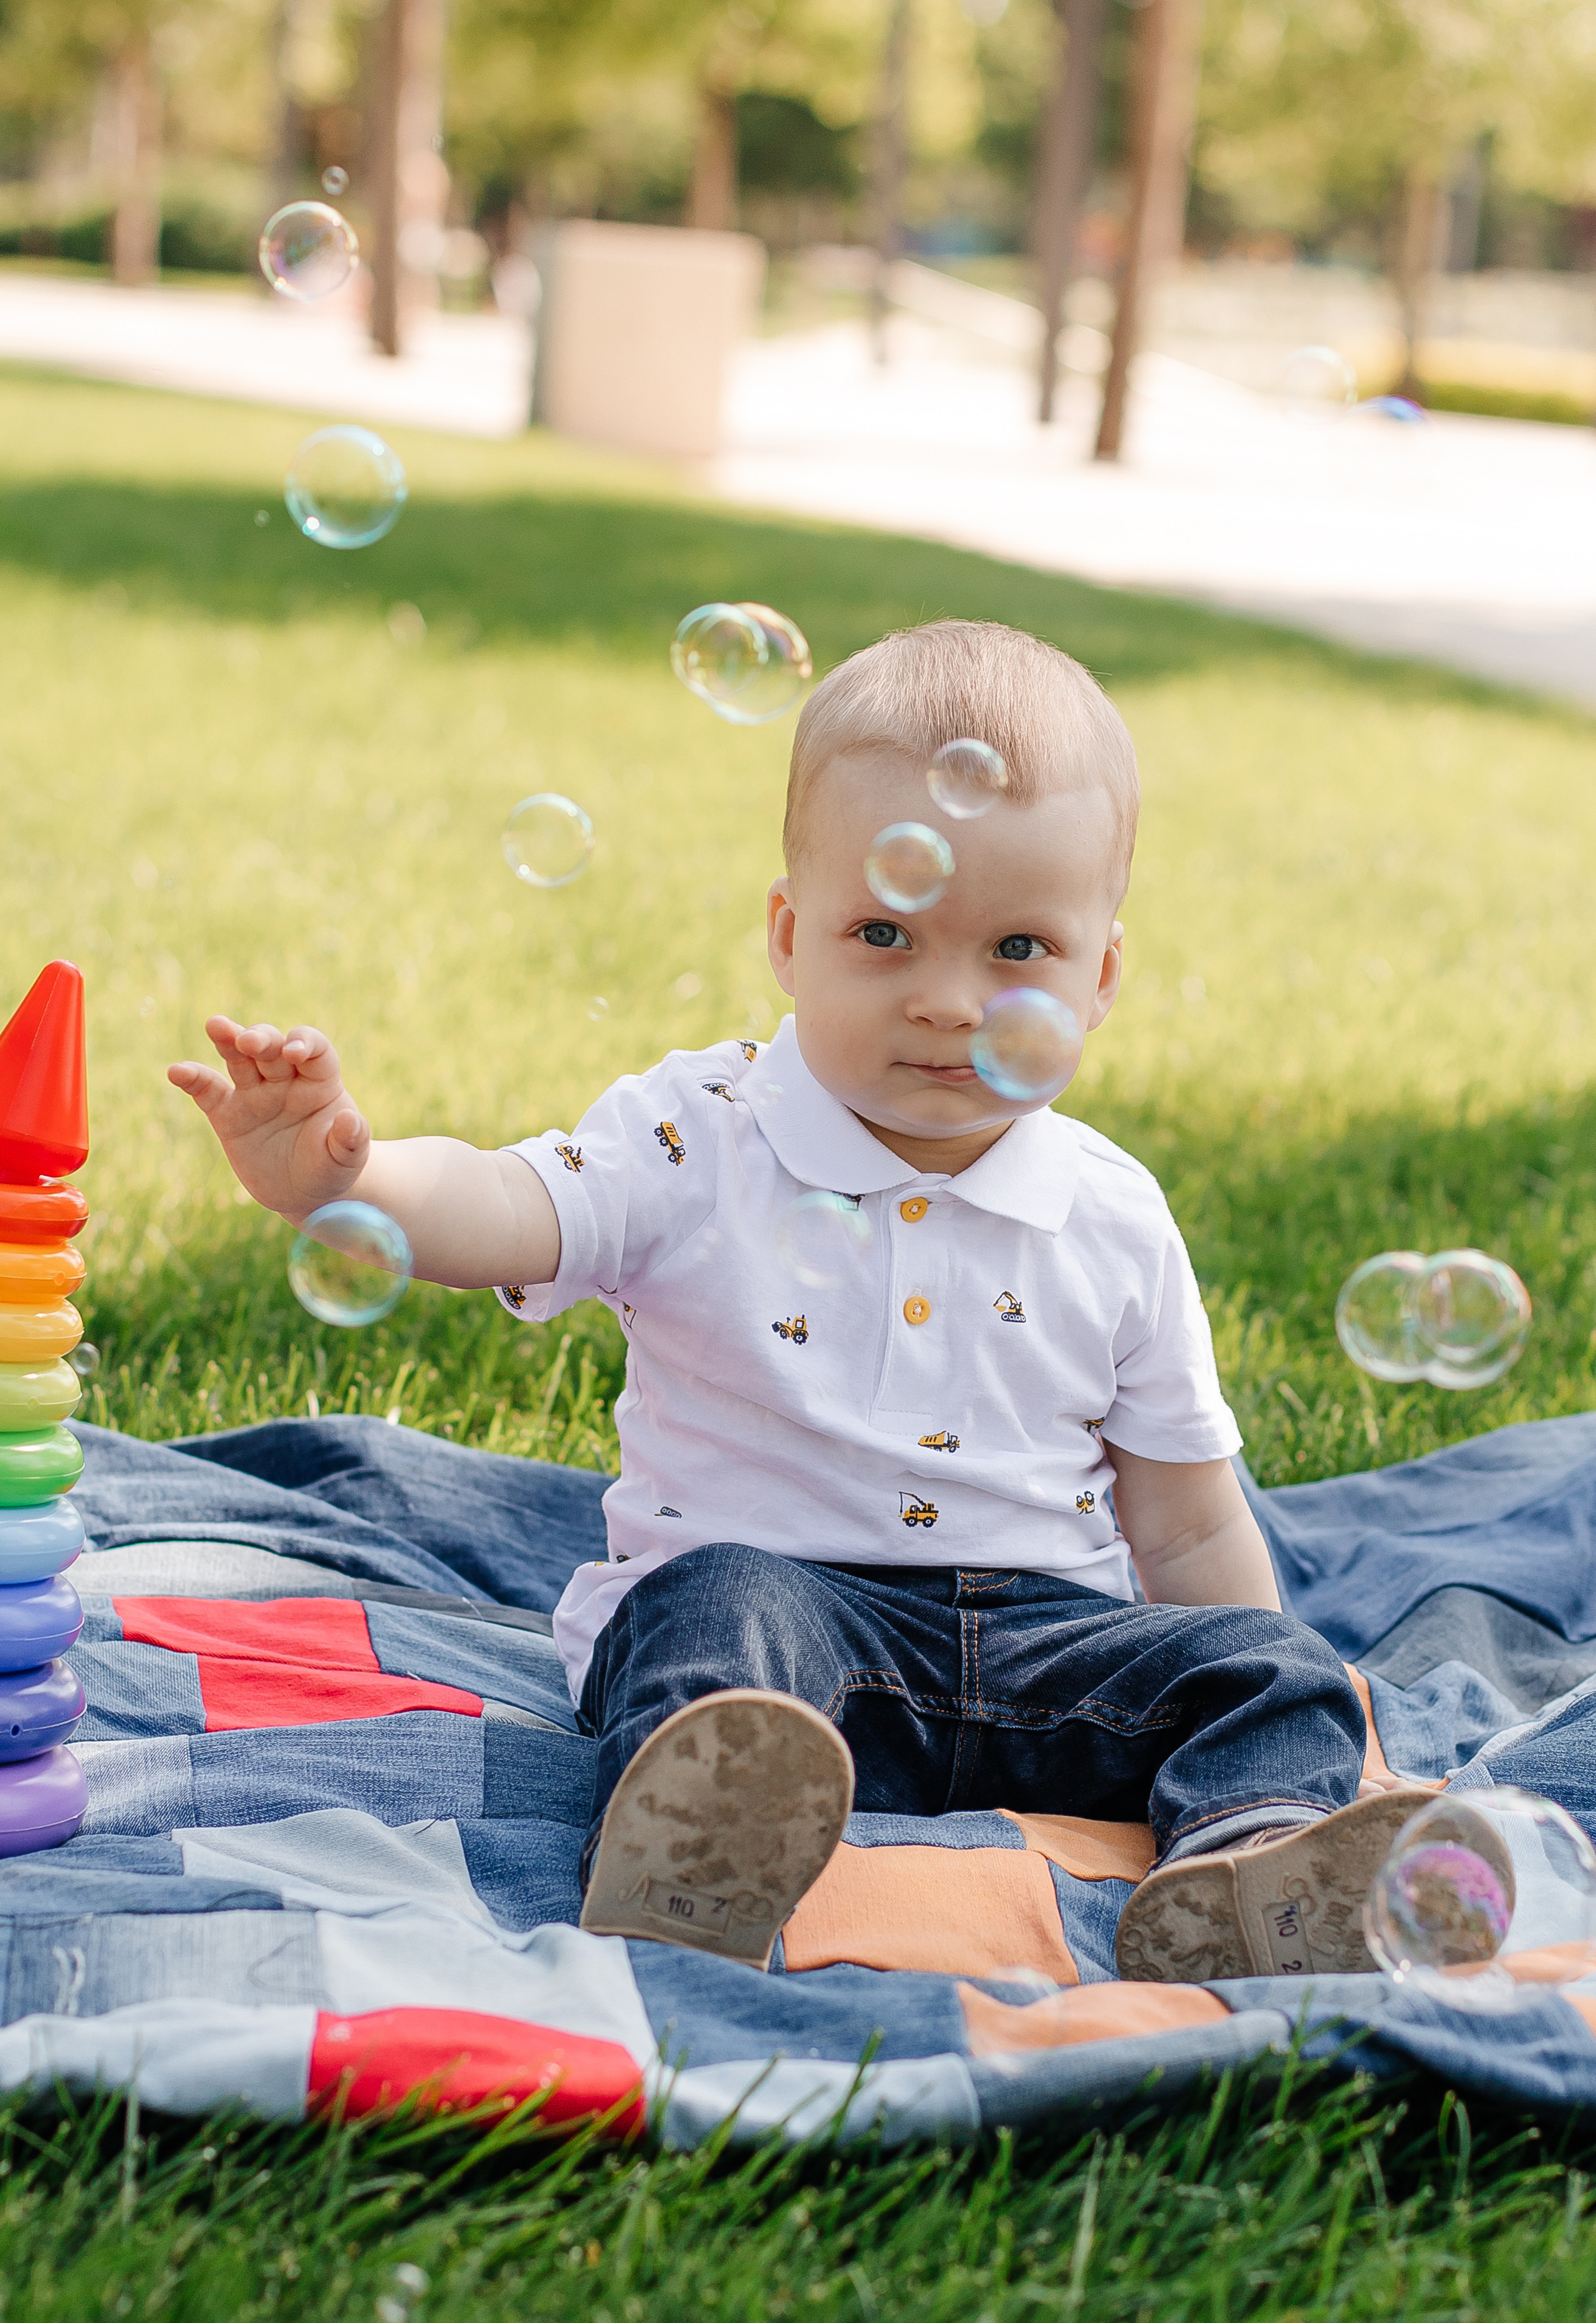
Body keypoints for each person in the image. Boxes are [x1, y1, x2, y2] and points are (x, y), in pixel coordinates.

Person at [170, 619, 1418, 1985]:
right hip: (786, 1626)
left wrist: (1247, 1659)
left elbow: (1182, 1530)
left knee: (1283, 1669)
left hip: (1039, 1655)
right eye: (883, 933)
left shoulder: (1111, 1215)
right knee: (706, 1604)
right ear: (786, 934)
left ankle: (1255, 1864)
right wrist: (349, 1174)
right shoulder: (699, 1134)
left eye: (1015, 948)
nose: (945, 1002)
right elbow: (509, 1204)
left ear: (1098, 977)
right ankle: (704, 1851)